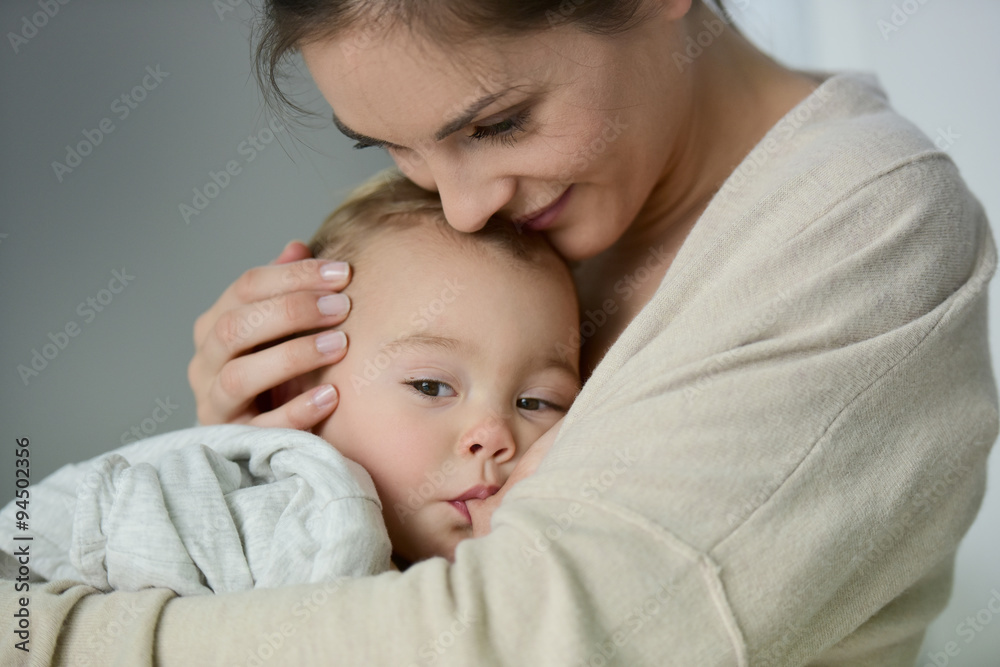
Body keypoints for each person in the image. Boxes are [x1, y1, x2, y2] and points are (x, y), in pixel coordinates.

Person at [4, 0, 996, 664]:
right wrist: (256, 475)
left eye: (499, 124)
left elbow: (520, 639)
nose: (462, 205)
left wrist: (52, 637)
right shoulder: (490, 208)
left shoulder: (868, 223)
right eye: (392, 146)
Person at [0, 172, 580, 595]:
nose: (493, 434)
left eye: (538, 402)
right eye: (431, 387)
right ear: (293, 395)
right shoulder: (263, 515)